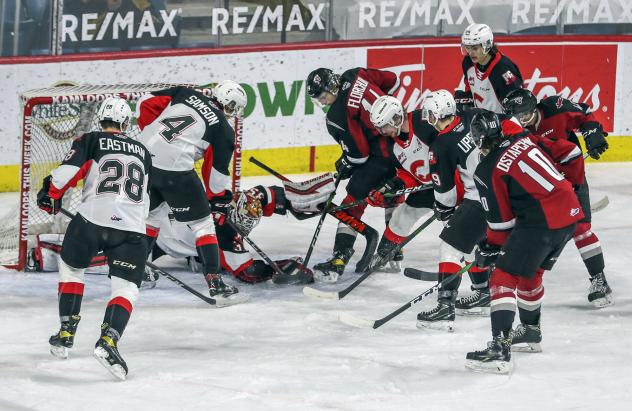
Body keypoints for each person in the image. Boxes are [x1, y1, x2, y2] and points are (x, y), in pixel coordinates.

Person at [38, 97, 151, 381]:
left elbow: (66, 174)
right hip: (132, 227)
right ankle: (109, 340)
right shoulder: (144, 152)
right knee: (126, 287)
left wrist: (48, 195)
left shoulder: (91, 139)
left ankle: (66, 333)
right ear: (126, 124)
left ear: (101, 118)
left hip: (90, 221)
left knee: (72, 267)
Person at [465, 110, 583, 374]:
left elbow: (502, 225)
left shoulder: (487, 169)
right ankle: (530, 331)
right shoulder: (522, 137)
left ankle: (500, 347)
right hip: (570, 214)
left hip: (542, 222)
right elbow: (570, 152)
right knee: (530, 272)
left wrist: (491, 247)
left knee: (503, 277)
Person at [136, 80, 248, 305]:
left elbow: (145, 102)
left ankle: (137, 273)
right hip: (174, 172)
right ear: (232, 107)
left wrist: (154, 137)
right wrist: (217, 198)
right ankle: (215, 283)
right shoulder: (224, 129)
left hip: (142, 159)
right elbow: (216, 171)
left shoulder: (184, 92)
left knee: (151, 217)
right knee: (203, 225)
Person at [502, 88, 612, 307]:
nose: (521, 121)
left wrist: (592, 133)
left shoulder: (555, 109)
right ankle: (508, 276)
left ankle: (599, 280)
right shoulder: (512, 129)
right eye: (516, 117)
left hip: (570, 178)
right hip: (538, 185)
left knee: (581, 229)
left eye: (524, 115)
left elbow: (585, 113)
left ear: (534, 109)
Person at [305, 67, 400, 282]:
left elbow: (359, 155)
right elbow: (393, 81)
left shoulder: (337, 114)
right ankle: (394, 250)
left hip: (380, 154)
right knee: (391, 192)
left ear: (331, 87)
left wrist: (344, 163)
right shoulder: (356, 74)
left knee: (351, 203)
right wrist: (385, 114)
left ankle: (339, 259)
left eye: (323, 96)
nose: (324, 102)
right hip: (400, 138)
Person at [415, 90, 490, 331]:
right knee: (470, 243)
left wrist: (444, 210)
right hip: (503, 194)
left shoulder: (440, 144)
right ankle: (483, 294)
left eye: (429, 115)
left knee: (450, 245)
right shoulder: (474, 116)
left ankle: (445, 307)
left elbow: (445, 194)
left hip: (478, 199)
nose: (428, 119)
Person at [146, 184, 316, 286]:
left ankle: (196, 258)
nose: (246, 225)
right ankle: (196, 258)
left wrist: (304, 201)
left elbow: (266, 193)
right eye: (244, 221)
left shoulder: (232, 201)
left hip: (158, 215)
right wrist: (278, 268)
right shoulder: (225, 236)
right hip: (163, 242)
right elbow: (247, 272)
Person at [365, 95, 436, 271]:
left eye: (385, 127)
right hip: (429, 188)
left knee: (463, 227)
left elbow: (451, 147)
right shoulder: (393, 145)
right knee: (401, 216)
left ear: (397, 118)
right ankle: (384, 254)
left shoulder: (422, 121)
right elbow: (408, 173)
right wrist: (393, 186)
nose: (383, 132)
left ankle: (485, 265)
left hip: (454, 185)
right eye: (380, 129)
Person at [455, 23, 523, 113]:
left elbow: (518, 103)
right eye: (467, 48)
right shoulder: (467, 62)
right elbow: (469, 88)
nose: (470, 53)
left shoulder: (504, 69)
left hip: (503, 123)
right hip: (480, 122)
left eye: (475, 48)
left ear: (486, 45)